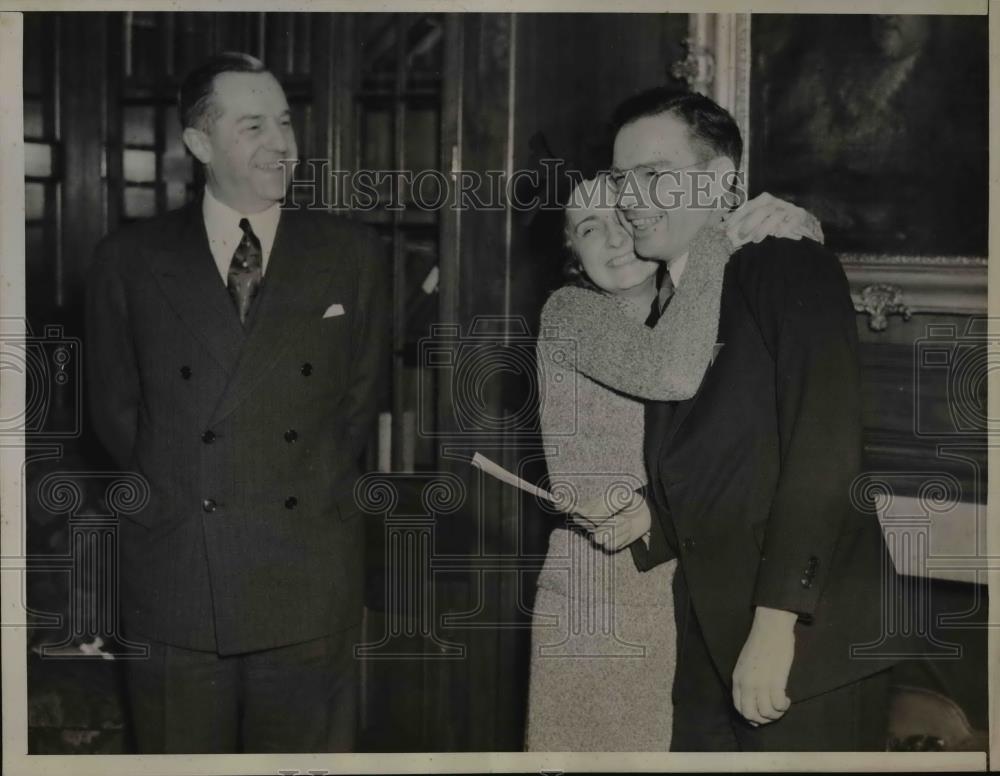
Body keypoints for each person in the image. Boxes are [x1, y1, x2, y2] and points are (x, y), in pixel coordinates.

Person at [545, 88, 903, 751]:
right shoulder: (658, 310)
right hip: (709, 646)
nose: (631, 198)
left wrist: (775, 628)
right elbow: (716, 456)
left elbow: (823, 457)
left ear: (719, 181)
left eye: (653, 176)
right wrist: (651, 518)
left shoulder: (787, 262)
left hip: (805, 645)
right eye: (622, 180)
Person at [85, 52, 386, 753]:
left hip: (307, 578)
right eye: (253, 126)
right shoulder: (128, 259)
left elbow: (359, 404)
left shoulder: (352, 253)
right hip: (179, 578)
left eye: (284, 122)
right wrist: (185, 494)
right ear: (199, 144)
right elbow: (116, 417)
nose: (281, 144)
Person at [527, 173, 822, 752]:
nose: (614, 238)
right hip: (601, 600)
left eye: (623, 216)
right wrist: (715, 228)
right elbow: (670, 371)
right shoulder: (568, 313)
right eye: (590, 228)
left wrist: (797, 228)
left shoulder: (689, 308)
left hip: (690, 591)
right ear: (572, 253)